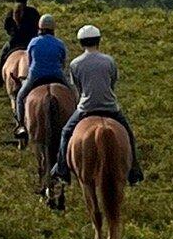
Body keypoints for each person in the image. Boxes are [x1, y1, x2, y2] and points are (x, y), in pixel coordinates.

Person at [55, 24, 143, 184]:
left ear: (81, 43)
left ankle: (62, 170)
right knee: (129, 135)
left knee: (65, 133)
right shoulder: (109, 61)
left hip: (86, 108)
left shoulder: (75, 64)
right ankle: (134, 170)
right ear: (98, 40)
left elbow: (78, 88)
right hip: (110, 107)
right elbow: (112, 82)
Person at [13, 13, 69, 134]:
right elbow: (63, 62)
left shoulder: (33, 42)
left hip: (36, 76)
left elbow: (30, 61)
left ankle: (21, 124)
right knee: (74, 93)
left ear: (40, 27)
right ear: (53, 28)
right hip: (57, 74)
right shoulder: (59, 43)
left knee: (20, 97)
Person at [0, 0, 41, 87]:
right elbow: (38, 27)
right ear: (27, 0)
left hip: (14, 43)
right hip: (30, 43)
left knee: (3, 55)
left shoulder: (11, 13)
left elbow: (6, 28)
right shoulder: (33, 12)